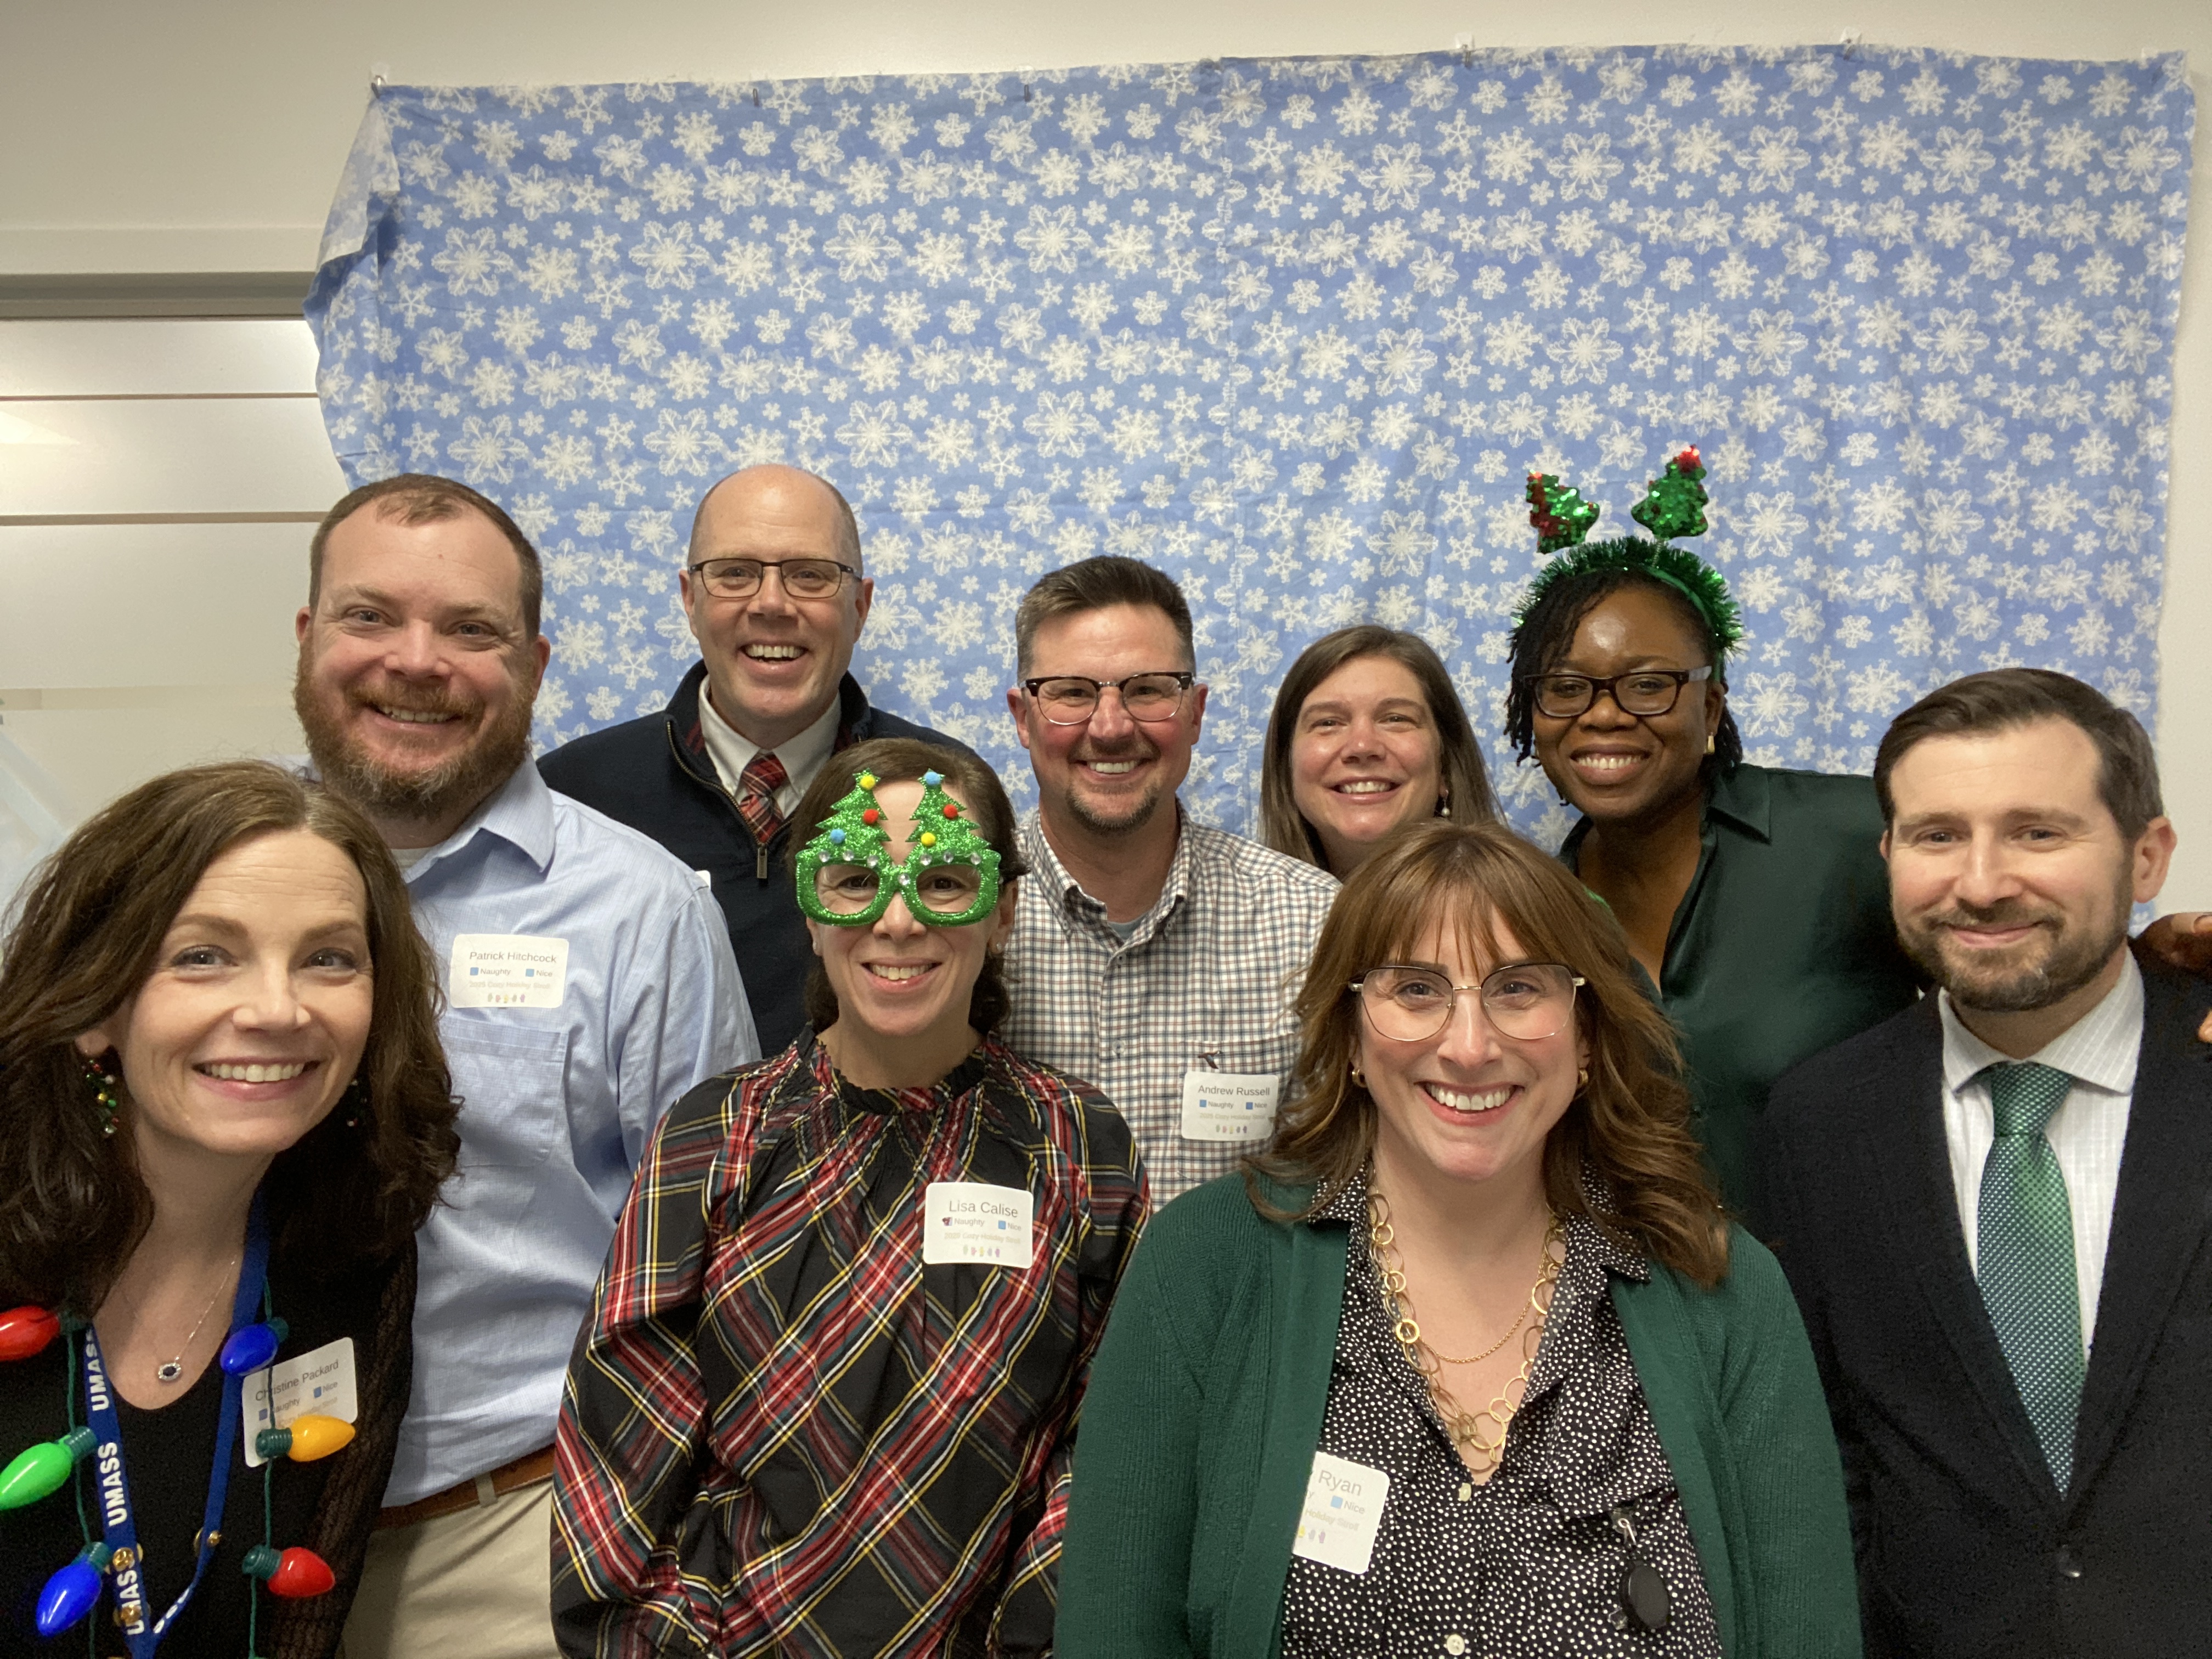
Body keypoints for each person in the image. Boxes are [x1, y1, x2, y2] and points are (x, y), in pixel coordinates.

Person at [1059, 820, 1860, 1657]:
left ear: (1587, 1035)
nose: (1470, 1046)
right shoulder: (1206, 1265)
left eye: (1519, 989)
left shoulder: (1720, 1289)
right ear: (1352, 1035)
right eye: (1416, 989)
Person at [291, 473, 757, 1659]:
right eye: (370, 615)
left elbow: (725, 1257)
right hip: (213, 1509)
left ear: (535, 664)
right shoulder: (189, 880)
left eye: (471, 629)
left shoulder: (643, 913)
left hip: (502, 1539)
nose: (416, 661)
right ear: (307, 634)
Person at [552, 738, 1146, 1657]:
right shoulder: (718, 1134)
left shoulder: (1077, 1143)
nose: (897, 920)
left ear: (1003, 911)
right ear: (809, 906)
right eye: (856, 880)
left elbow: (1108, 1436)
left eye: (944, 881)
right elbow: (625, 1428)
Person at [1762, 669, 2208, 1658]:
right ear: (1888, 854)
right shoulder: (1822, 1119)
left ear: (2146, 856)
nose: (1980, 882)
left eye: (2037, 832)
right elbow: (1826, 1454)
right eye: (1937, 835)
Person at [0, 761, 459, 1657]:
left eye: (329, 958)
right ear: (95, 1005)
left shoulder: (352, 1255)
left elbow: (301, 1626)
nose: (278, 1009)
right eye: (202, 956)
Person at [1506, 455, 1922, 1221]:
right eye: (1565, 688)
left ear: (1712, 708)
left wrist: (2152, 967)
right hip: (1641, 1289)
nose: (1603, 714)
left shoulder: (1854, 836)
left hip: (1861, 1284)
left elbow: (2017, 970)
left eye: (1648, 684)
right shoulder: (1536, 915)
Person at [540, 464, 973, 1052]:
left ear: (860, 606)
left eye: (810, 575)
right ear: (690, 599)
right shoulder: (573, 795)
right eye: (735, 573)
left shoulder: (941, 788)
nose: (771, 603)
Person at [1001, 556, 1340, 1201]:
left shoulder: (1312, 924)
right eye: (1072, 693)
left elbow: (1340, 1184)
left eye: (1148, 690)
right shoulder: (954, 916)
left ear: (1195, 712)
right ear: (1023, 717)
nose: (1111, 726)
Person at [1258, 624, 1500, 877]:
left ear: (1445, 765)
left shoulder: (1518, 900)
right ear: (1287, 766)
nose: (1362, 747)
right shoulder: (1243, 899)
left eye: (1396, 719)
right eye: (1328, 723)